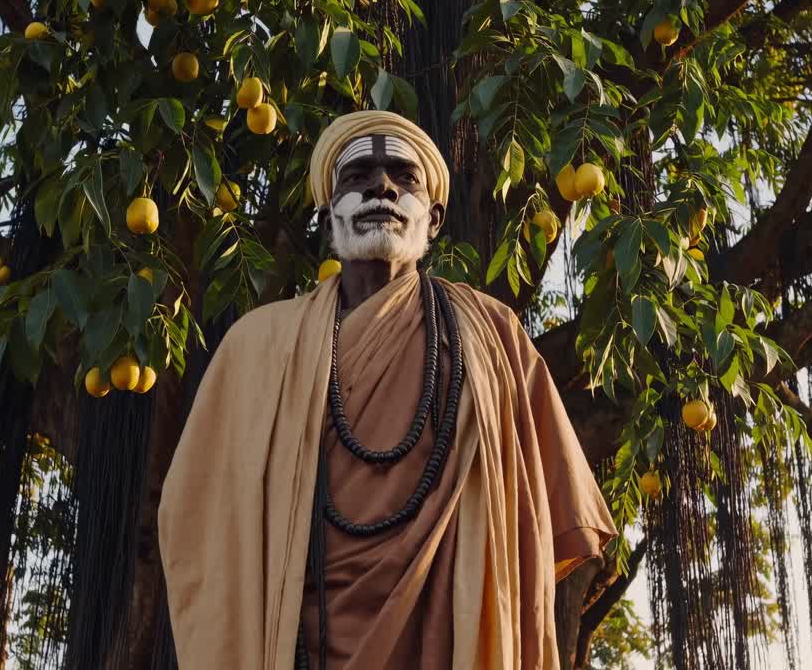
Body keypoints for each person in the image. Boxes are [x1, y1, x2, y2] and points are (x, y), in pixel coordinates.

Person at [158, 110, 616, 669]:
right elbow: (197, 523)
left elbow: (544, 524)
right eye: (358, 176)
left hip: (452, 647)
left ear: (436, 218)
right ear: (327, 219)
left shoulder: (495, 336)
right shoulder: (254, 347)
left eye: (404, 176)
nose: (382, 186)